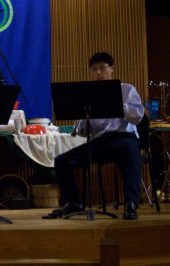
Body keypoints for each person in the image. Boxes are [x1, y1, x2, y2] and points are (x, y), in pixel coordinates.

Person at [43, 52, 144, 220]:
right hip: (100, 142)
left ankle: (131, 203)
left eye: (102, 68)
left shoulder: (126, 89)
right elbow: (82, 132)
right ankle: (73, 203)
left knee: (130, 153)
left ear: (112, 69)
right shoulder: (89, 94)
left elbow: (137, 117)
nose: (98, 73)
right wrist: (83, 120)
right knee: (62, 161)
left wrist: (115, 103)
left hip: (124, 138)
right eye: (94, 69)